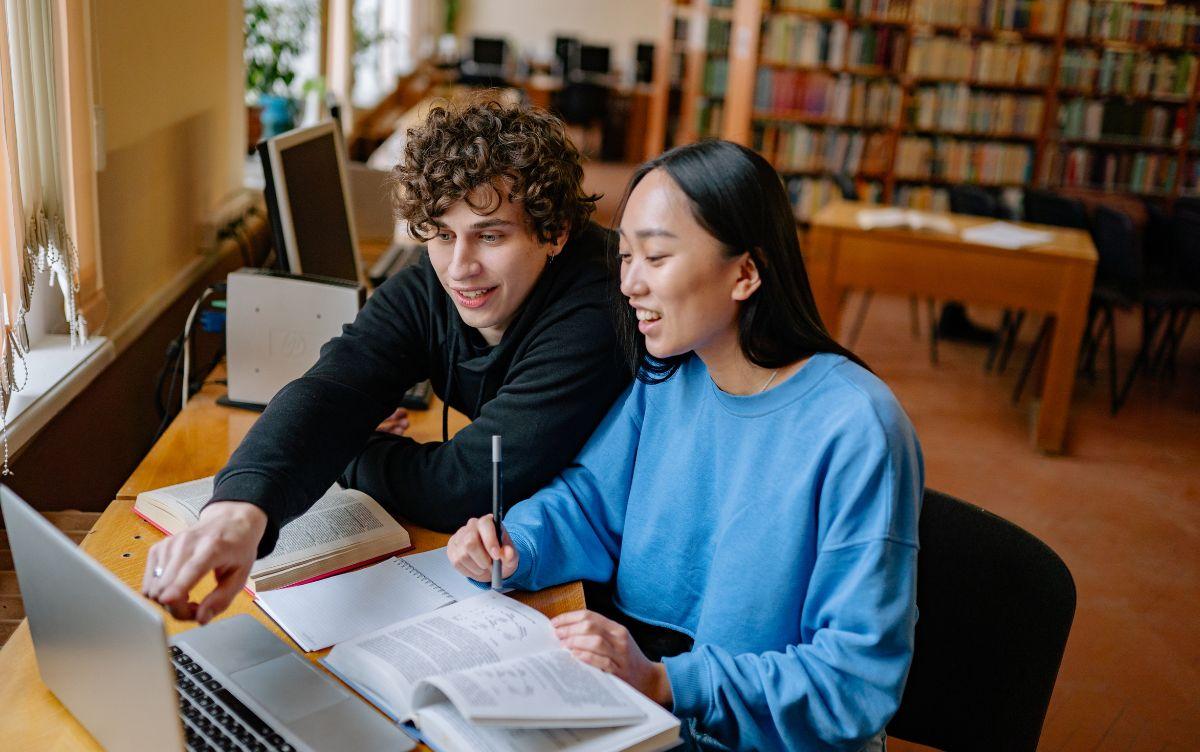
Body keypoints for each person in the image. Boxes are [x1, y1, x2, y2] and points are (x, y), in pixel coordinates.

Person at [447, 140, 923, 751]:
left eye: (656, 256)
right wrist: (517, 543)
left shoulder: (858, 428)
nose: (629, 284)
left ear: (745, 272)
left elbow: (851, 682)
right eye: (624, 257)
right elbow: (593, 499)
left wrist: (668, 682)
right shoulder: (671, 375)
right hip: (658, 715)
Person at [142, 96, 630, 624]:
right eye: (442, 234)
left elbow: (463, 486)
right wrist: (238, 511)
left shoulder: (599, 304)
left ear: (552, 231)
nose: (460, 267)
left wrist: (355, 446)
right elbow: (336, 385)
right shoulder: (437, 278)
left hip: (605, 593)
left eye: (490, 235)